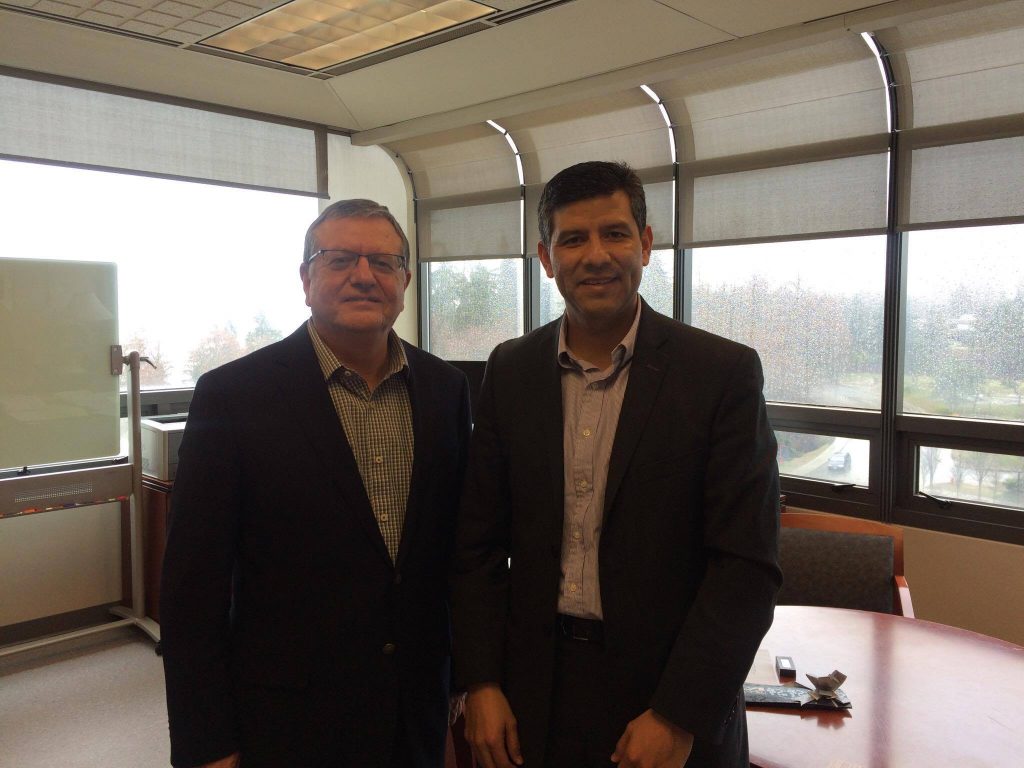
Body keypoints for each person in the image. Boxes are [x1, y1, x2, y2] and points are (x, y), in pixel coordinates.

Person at [451, 162, 781, 768]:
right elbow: (477, 546)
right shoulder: (511, 370)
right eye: (573, 239)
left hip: (665, 699)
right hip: (532, 696)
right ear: (546, 258)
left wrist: (678, 713)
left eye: (615, 234)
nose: (596, 256)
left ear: (646, 244)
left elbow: (745, 567)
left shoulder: (720, 374)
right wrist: (481, 681)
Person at [160, 199, 471, 768]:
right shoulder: (233, 396)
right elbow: (192, 587)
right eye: (340, 259)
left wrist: (460, 689)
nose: (363, 275)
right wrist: (207, 740)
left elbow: (451, 556)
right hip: (289, 718)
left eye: (383, 262)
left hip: (413, 709)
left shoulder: (446, 389)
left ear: (404, 281)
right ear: (306, 279)